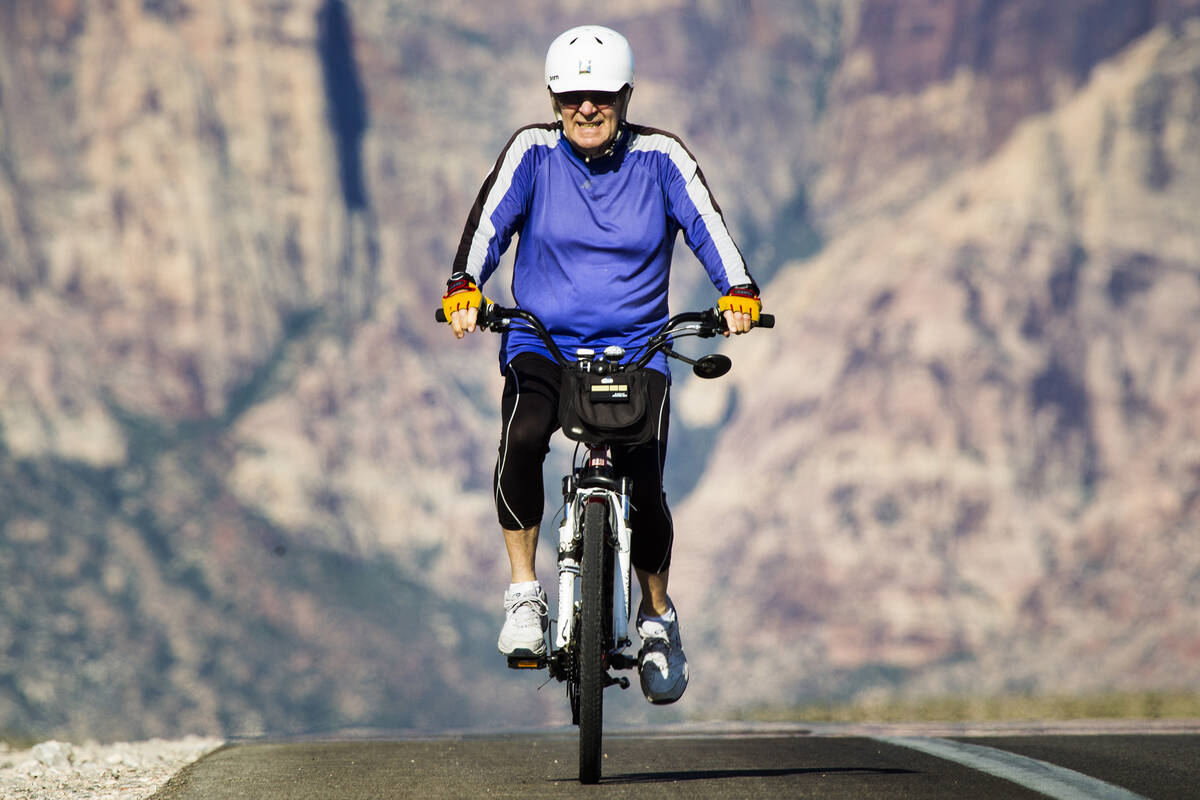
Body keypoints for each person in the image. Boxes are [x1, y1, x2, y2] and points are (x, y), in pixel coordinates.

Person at [441, 25, 762, 705]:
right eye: (571, 98)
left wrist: (738, 292)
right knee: (523, 438)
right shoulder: (532, 153)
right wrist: (464, 285)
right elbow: (487, 226)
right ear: (555, 101)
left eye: (601, 97)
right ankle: (526, 596)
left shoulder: (661, 158)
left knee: (645, 486)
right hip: (545, 344)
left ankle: (656, 620)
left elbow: (709, 227)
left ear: (625, 96)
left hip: (637, 348)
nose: (586, 110)